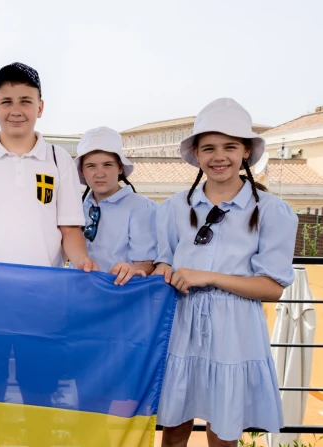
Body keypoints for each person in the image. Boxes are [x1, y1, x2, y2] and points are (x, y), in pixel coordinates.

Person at [0, 62, 97, 447]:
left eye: (25, 101)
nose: (16, 110)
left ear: (40, 106)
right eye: (6, 101)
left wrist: (85, 264)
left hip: (42, 301)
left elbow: (70, 231)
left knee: (40, 392)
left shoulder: (59, 160)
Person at [153, 98, 297, 446]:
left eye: (230, 147)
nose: (219, 157)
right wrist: (161, 272)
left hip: (236, 331)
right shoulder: (173, 208)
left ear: (246, 151)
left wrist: (209, 276)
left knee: (223, 434)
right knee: (173, 431)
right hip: (181, 325)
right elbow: (162, 263)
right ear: (197, 154)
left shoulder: (273, 211)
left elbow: (273, 288)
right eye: (209, 148)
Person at [76, 126, 156, 284]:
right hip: (78, 290)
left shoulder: (142, 208)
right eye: (91, 166)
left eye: (107, 165)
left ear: (120, 167)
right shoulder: (76, 206)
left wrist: (131, 269)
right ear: (82, 171)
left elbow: (146, 264)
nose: (100, 174)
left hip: (119, 291)